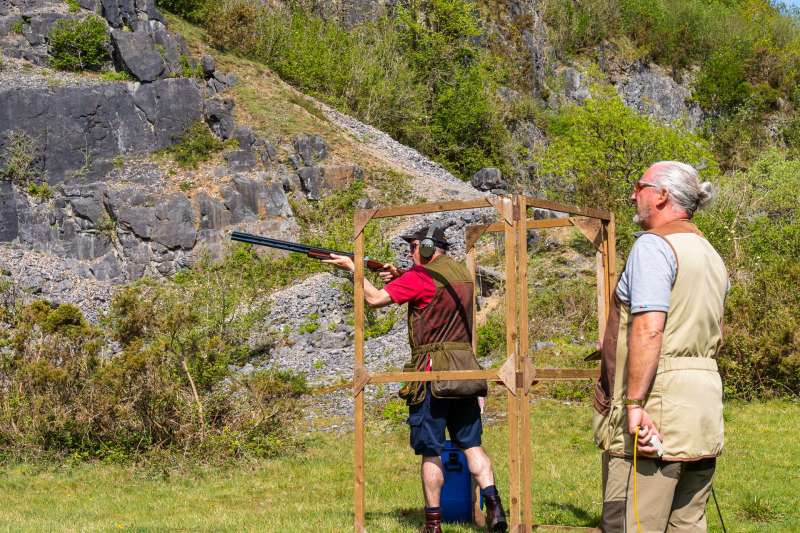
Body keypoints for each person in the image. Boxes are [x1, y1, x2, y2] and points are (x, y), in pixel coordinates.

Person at [324, 225, 507, 533]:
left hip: (431, 373)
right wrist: (401, 277)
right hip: (465, 370)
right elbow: (430, 294)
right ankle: (496, 508)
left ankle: (433, 525)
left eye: (412, 248)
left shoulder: (419, 277)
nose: (409, 254)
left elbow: (375, 300)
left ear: (425, 248)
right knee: (472, 446)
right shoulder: (461, 274)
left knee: (431, 451)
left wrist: (354, 269)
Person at [592, 161, 728, 532]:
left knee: (632, 522)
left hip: (653, 413)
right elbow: (715, 335)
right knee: (687, 523)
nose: (633, 194)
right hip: (701, 412)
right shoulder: (710, 254)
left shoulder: (653, 247)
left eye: (640, 186)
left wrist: (635, 404)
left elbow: (650, 329)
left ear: (663, 195)